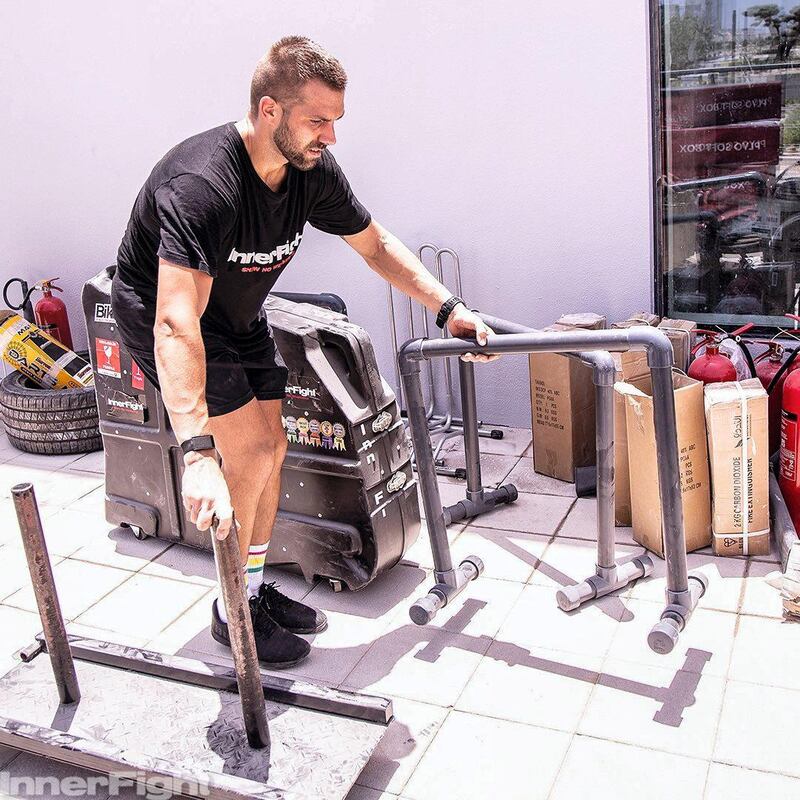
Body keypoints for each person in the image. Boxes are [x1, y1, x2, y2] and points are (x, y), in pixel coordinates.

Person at [111, 35, 496, 669]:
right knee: (246, 451)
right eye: (318, 121)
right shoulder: (203, 184)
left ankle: (254, 592)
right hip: (170, 318)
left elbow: (374, 246)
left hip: (236, 314)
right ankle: (232, 611)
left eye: (336, 122)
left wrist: (448, 308)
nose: (331, 138)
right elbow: (176, 322)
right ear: (269, 111)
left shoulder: (310, 172)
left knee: (273, 445)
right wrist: (197, 451)